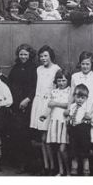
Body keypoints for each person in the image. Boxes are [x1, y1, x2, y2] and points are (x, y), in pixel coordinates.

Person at [69, 51, 93, 173]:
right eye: (83, 64)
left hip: (89, 112)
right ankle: (76, 168)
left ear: (91, 64)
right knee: (76, 141)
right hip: (77, 112)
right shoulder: (75, 76)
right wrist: (69, 110)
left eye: (87, 64)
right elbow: (72, 95)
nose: (85, 66)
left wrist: (90, 112)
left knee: (89, 142)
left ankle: (91, 168)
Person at [30, 45, 62, 174]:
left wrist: (49, 108)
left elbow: (56, 90)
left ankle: (52, 167)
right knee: (42, 138)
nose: (43, 58)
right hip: (38, 102)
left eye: (46, 56)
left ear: (51, 56)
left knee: (46, 138)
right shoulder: (38, 69)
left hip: (49, 104)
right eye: (41, 56)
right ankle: (46, 166)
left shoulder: (56, 69)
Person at [7, 44, 38, 171]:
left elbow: (35, 86)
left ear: (30, 55)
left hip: (27, 105)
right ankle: (18, 162)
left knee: (24, 135)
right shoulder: (15, 68)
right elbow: (10, 84)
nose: (23, 57)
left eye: (25, 54)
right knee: (15, 134)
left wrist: (27, 99)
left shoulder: (34, 69)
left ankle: (27, 164)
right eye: (21, 54)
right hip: (15, 104)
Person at [43, 70, 72, 175]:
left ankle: (68, 172)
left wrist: (55, 103)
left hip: (64, 122)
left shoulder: (70, 91)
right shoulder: (54, 91)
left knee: (62, 149)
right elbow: (50, 106)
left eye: (64, 80)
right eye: (59, 80)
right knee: (55, 147)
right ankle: (60, 171)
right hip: (54, 121)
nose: (61, 83)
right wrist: (44, 115)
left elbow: (68, 105)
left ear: (68, 81)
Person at [66, 84, 93, 176]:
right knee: (74, 154)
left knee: (85, 155)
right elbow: (69, 118)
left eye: (82, 98)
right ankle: (74, 171)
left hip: (83, 134)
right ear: (74, 96)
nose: (80, 100)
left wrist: (90, 117)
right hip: (74, 134)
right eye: (78, 97)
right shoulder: (72, 107)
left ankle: (86, 172)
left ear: (86, 98)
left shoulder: (88, 108)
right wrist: (68, 119)